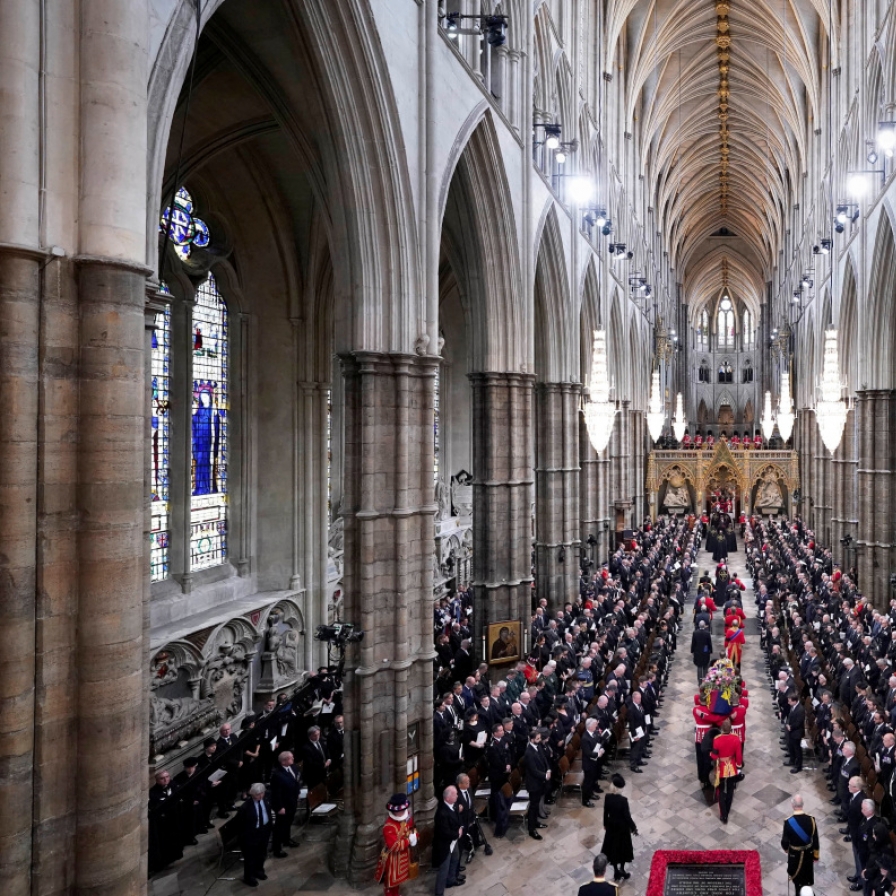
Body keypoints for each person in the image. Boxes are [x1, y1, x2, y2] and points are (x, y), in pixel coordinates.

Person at [374, 793, 418, 896]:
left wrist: (415, 835)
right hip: (392, 860)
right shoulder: (389, 826)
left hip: (404, 856)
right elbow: (394, 846)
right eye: (399, 811)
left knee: (397, 883)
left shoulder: (407, 817)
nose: (402, 812)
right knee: (390, 884)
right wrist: (409, 841)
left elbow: (412, 828)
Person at [600, 773, 637, 881]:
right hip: (622, 828)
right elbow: (627, 816)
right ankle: (622, 869)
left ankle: (616, 871)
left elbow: (605, 813)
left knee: (613, 849)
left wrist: (605, 824)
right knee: (623, 849)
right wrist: (633, 827)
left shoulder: (607, 797)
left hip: (611, 826)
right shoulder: (623, 800)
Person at [781, 794, 819, 893]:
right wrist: (815, 856)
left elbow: (785, 841)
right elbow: (815, 839)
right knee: (806, 879)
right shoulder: (811, 820)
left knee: (798, 881)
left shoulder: (788, 822)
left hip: (795, 855)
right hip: (808, 854)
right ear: (802, 805)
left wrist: (786, 849)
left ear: (792, 806)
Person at [237, 783, 273, 888]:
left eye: (262, 793)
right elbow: (240, 825)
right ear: (252, 794)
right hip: (251, 834)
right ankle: (249, 877)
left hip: (264, 831)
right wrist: (244, 838)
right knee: (250, 857)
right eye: (258, 794)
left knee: (262, 854)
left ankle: (259, 871)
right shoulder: (245, 807)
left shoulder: (265, 800)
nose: (260, 796)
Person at [432, 786, 464, 896]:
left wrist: (460, 827)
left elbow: (457, 818)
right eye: (455, 794)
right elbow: (444, 832)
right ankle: (439, 892)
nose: (457, 796)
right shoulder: (441, 813)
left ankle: (451, 880)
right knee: (443, 868)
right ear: (448, 798)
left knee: (455, 858)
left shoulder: (453, 805)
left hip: (453, 841)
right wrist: (457, 833)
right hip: (445, 844)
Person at [269, 750, 301, 857]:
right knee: (279, 827)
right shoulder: (277, 775)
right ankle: (277, 849)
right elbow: (276, 793)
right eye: (291, 758)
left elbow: (296, 781)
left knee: (288, 823)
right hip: (283, 805)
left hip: (292, 801)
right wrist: (279, 807)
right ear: (283, 761)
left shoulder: (293, 767)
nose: (293, 759)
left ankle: (287, 840)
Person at [710, 718, 743, 824]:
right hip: (732, 767)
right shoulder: (736, 738)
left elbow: (714, 756)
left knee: (720, 791)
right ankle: (727, 811)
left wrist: (710, 754)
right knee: (730, 791)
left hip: (721, 768)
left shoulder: (717, 739)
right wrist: (738, 766)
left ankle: (723, 815)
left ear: (721, 728)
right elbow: (738, 755)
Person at [524, 729, 551, 840]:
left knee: (536, 804)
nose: (540, 740)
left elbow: (544, 759)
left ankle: (535, 822)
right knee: (533, 806)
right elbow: (533, 770)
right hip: (534, 783)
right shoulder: (529, 753)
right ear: (532, 739)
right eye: (538, 739)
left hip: (540, 781)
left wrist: (548, 769)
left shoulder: (537, 746)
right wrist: (545, 775)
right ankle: (531, 829)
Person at [785, 693, 806, 773]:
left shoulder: (800, 710)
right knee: (791, 746)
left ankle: (798, 766)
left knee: (797, 750)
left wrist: (791, 727)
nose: (788, 702)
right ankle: (792, 760)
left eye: (789, 701)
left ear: (794, 701)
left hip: (797, 733)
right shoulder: (793, 706)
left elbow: (799, 722)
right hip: (791, 731)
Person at [691, 620, 713, 685]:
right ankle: (705, 681)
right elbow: (709, 643)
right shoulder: (707, 633)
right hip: (705, 652)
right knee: (705, 666)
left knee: (699, 667)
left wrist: (692, 650)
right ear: (704, 626)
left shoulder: (695, 633)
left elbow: (693, 643)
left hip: (697, 652)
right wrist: (711, 650)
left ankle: (700, 682)